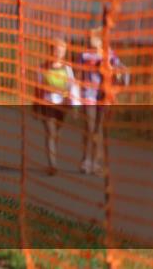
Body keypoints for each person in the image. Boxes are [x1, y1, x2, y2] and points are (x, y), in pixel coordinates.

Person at [79, 27, 129, 175]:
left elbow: (122, 69)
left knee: (98, 129)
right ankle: (85, 160)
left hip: (104, 95)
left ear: (101, 39)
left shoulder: (110, 55)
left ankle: (95, 162)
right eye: (89, 37)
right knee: (89, 126)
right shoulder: (84, 55)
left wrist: (121, 80)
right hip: (88, 94)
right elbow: (78, 73)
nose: (89, 40)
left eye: (92, 37)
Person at [33, 38, 80, 176]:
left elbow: (73, 88)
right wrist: (35, 108)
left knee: (57, 134)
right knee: (51, 133)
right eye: (57, 49)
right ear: (51, 50)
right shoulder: (42, 68)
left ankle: (53, 157)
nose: (59, 52)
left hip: (62, 106)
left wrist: (75, 108)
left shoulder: (67, 68)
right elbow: (38, 89)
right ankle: (52, 165)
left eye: (62, 49)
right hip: (47, 104)